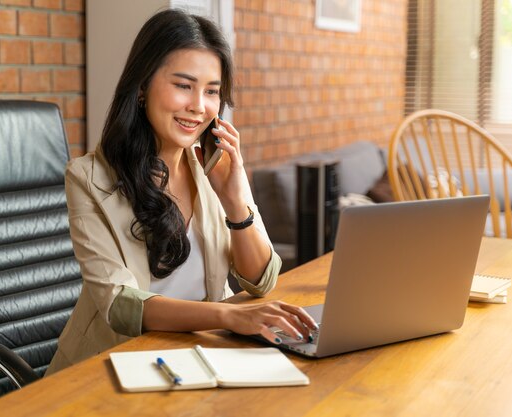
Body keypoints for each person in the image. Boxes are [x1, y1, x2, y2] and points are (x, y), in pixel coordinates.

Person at [47, 8, 317, 374]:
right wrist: (231, 317)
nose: (199, 106)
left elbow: (261, 280)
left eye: (211, 92)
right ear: (142, 87)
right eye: (183, 85)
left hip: (201, 360)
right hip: (111, 368)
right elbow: (120, 304)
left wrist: (235, 200)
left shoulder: (214, 167)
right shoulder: (88, 178)